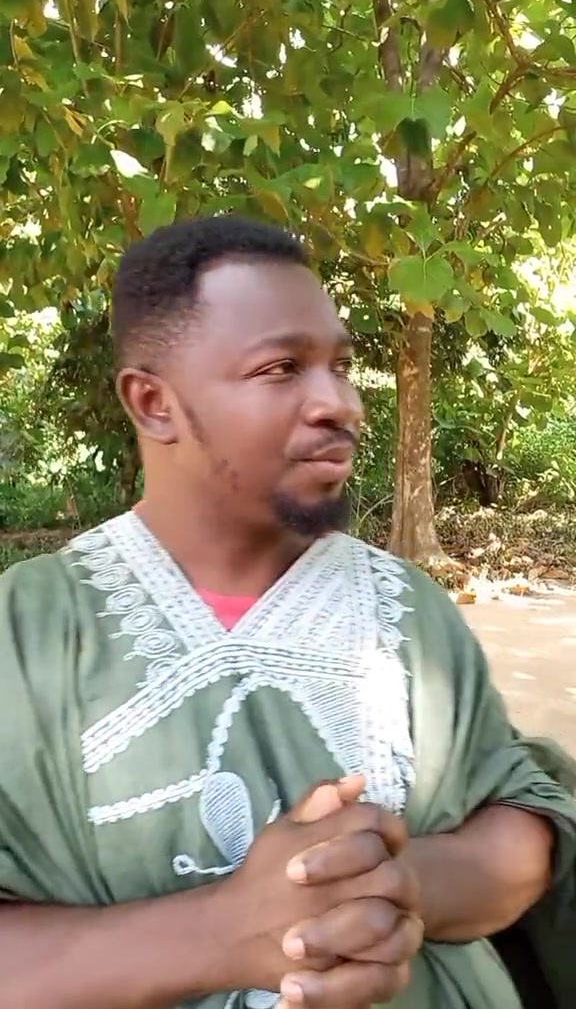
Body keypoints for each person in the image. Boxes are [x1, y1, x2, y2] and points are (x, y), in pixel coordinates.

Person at [0, 216, 574, 1009]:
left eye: (341, 366)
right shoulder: (28, 631)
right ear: (154, 403)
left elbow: (524, 821)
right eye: (280, 368)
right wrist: (227, 930)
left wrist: (396, 884)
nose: (340, 404)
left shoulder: (407, 609)